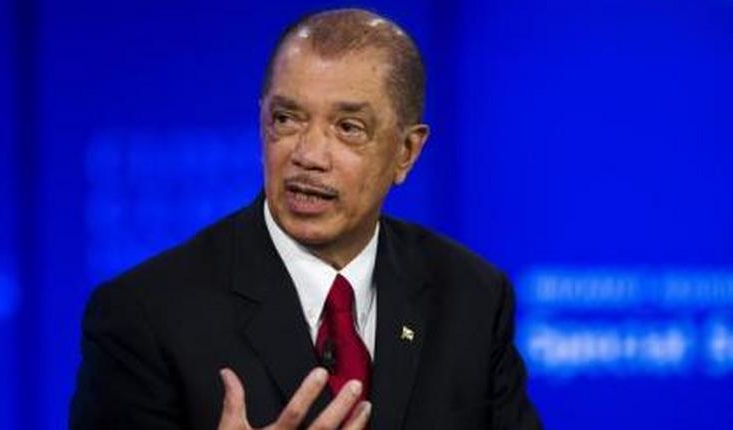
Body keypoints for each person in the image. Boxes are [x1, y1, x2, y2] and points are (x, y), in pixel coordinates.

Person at [70, 8, 542, 430]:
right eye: (287, 119)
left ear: (406, 151)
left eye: (348, 128)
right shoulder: (145, 317)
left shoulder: (472, 297)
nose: (308, 154)